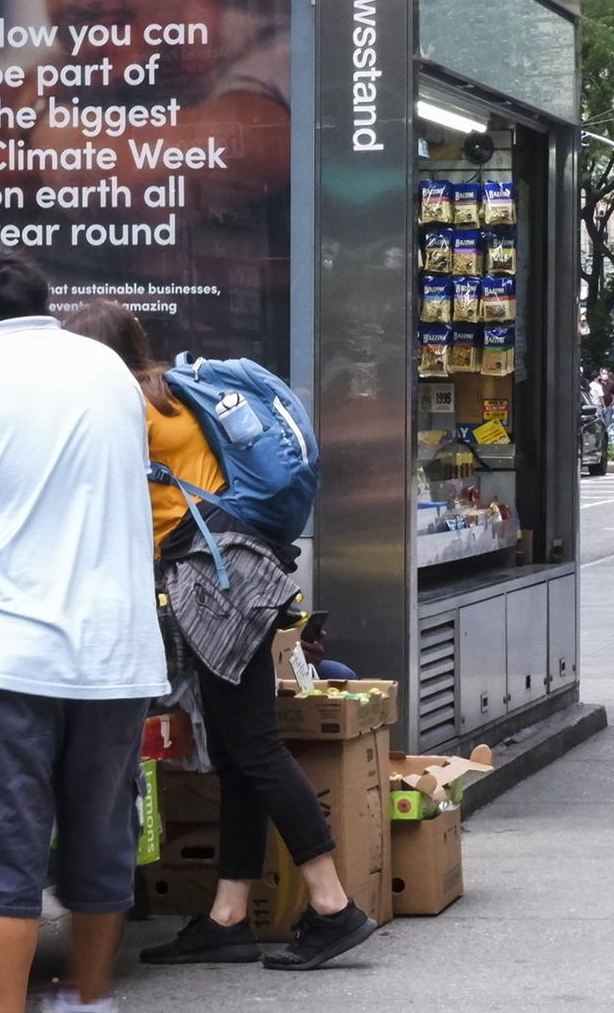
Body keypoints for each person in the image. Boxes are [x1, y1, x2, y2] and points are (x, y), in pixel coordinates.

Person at [63, 300, 378, 972]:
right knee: (239, 755)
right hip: (234, 573)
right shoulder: (170, 395)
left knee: (256, 748)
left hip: (215, 582)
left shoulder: (124, 410)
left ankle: (331, 905)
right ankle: (229, 916)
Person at [0, 237, 170, 1013]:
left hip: (10, 658)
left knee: (4, 870)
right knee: (100, 847)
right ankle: (90, 999)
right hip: (117, 656)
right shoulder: (110, 375)